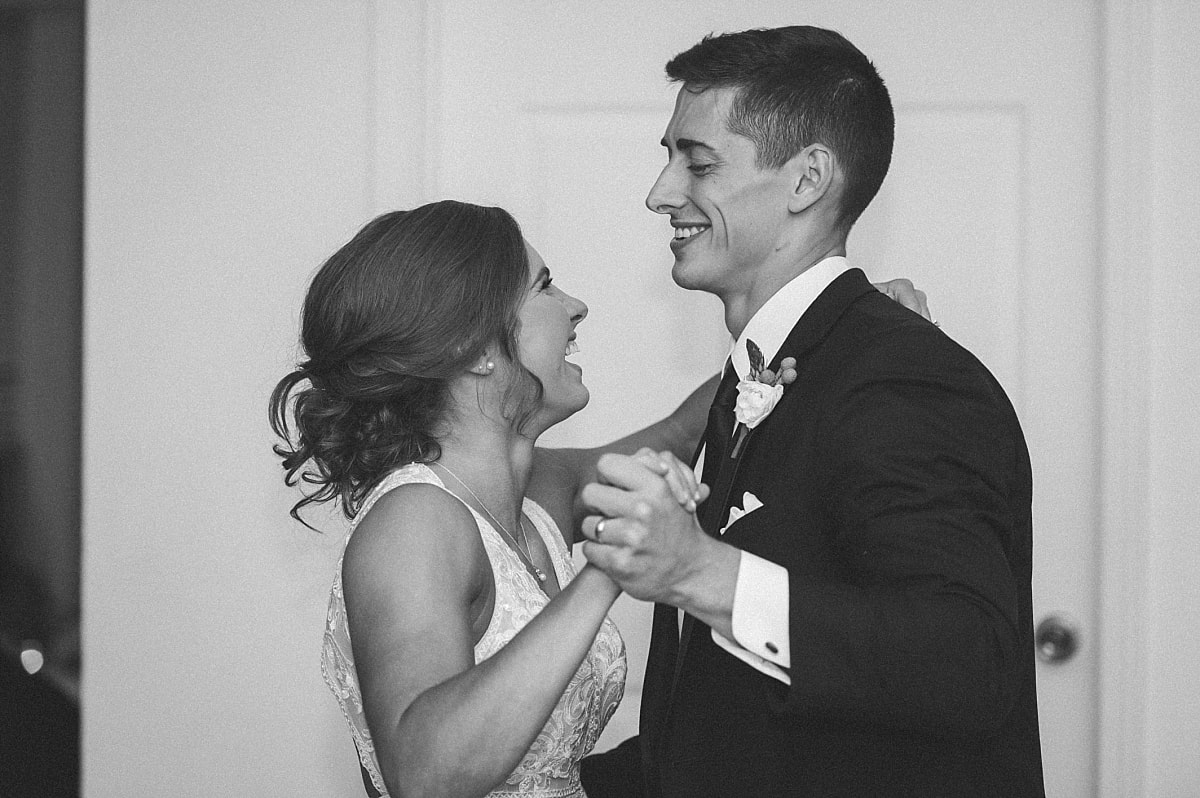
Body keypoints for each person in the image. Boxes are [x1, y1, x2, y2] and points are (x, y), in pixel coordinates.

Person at [271, 201, 930, 797]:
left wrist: (833, 328)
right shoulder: (414, 522)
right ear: (473, 348)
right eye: (544, 286)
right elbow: (425, 774)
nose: (575, 305)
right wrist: (607, 569)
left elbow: (684, 432)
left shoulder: (537, 494)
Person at [578, 26, 1045, 797]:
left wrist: (703, 573)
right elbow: (728, 720)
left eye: (696, 162)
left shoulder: (901, 377)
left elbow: (969, 661)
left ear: (805, 181)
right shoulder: (774, 373)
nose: (660, 193)